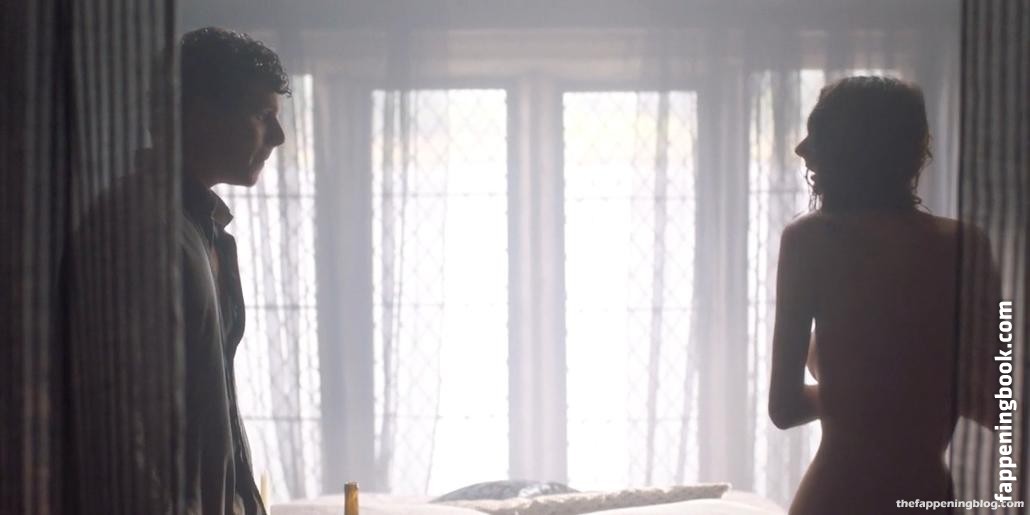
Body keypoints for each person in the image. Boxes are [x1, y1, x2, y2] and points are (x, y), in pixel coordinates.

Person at [768, 76, 999, 515]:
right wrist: (915, 389)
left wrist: (855, 391)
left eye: (818, 134)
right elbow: (997, 404)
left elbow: (784, 408)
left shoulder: (809, 240)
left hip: (836, 496)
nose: (801, 149)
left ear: (851, 147)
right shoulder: (967, 244)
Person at [161, 27, 288, 514]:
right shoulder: (151, 233)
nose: (278, 137)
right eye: (262, 116)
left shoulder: (201, 231)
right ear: (201, 113)